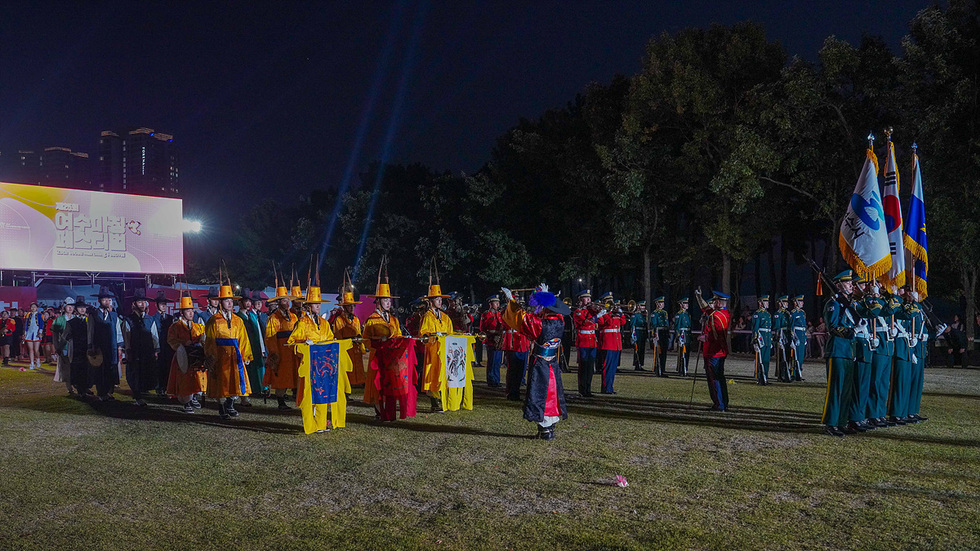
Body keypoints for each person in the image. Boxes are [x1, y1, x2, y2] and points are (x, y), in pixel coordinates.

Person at [501, 284, 570, 440]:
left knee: (540, 395)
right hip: (552, 362)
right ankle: (549, 428)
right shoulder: (560, 322)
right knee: (552, 395)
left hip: (540, 363)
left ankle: (545, 431)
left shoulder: (540, 324)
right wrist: (545, 297)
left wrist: (510, 300)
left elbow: (521, 318)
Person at [289, 282, 351, 433]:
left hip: (325, 363)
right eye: (315, 304)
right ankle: (312, 424)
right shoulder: (302, 323)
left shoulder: (324, 323)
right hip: (311, 364)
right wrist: (304, 343)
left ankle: (322, 424)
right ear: (308, 306)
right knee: (311, 394)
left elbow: (329, 338)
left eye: (319, 304)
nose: (318, 307)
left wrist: (334, 343)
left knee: (323, 392)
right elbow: (291, 342)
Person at [364, 279, 416, 421]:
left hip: (391, 358)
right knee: (378, 384)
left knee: (391, 383)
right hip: (378, 357)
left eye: (389, 300)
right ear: (378, 301)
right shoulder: (372, 320)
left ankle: (390, 410)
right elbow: (366, 340)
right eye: (385, 300)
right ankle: (379, 411)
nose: (388, 303)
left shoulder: (393, 319)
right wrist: (378, 344)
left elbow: (398, 336)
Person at [204, 283, 253, 420]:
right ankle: (221, 407)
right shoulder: (214, 320)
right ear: (220, 303)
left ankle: (230, 404)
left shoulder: (238, 320)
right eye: (227, 300)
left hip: (235, 355)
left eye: (231, 301)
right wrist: (211, 357)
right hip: (220, 355)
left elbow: (243, 339)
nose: (230, 303)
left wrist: (246, 355)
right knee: (221, 382)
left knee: (236, 381)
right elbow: (210, 340)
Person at [821, 271, 857, 437]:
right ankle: (831, 422)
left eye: (851, 282)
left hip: (848, 351)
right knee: (836, 389)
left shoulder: (848, 304)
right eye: (847, 282)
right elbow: (833, 327)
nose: (851, 285)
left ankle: (841, 422)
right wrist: (852, 331)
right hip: (837, 350)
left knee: (846, 390)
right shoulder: (833, 304)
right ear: (838, 284)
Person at [167, 294, 207, 413]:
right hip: (182, 356)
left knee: (196, 376)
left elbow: (204, 338)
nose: (191, 313)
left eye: (192, 311)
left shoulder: (198, 327)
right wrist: (184, 343)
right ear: (182, 312)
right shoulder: (175, 327)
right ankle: (186, 401)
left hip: (196, 356)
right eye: (188, 311)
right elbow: (171, 340)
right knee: (183, 378)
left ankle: (194, 396)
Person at [263, 284, 301, 410]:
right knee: (281, 376)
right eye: (284, 300)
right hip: (281, 351)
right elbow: (270, 337)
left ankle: (295, 395)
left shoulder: (294, 316)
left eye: (288, 300)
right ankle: (280, 400)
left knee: (293, 373)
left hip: (292, 351)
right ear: (279, 302)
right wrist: (275, 353)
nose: (287, 302)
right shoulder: (273, 318)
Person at [121, 289, 161, 407]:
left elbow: (154, 336)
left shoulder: (150, 319)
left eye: (144, 302)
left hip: (148, 351)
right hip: (135, 350)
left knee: (146, 373)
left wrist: (156, 350)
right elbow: (126, 336)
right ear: (134, 304)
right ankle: (137, 395)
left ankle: (143, 393)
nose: (142, 304)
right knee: (135, 373)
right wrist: (127, 351)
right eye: (140, 302)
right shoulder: (128, 319)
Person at [420, 283, 455, 412]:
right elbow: (423, 333)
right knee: (433, 375)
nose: (440, 301)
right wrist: (432, 335)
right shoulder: (427, 317)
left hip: (445, 351)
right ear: (430, 301)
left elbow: (451, 333)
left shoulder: (445, 317)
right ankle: (434, 402)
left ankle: (444, 398)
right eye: (437, 299)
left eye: (441, 299)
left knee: (445, 374)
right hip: (433, 351)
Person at [695, 289, 731, 411]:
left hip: (714, 352)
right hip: (719, 352)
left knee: (714, 379)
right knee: (719, 378)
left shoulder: (716, 315)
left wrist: (703, 337)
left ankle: (719, 404)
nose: (713, 303)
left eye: (715, 301)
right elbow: (706, 309)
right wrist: (699, 297)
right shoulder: (722, 314)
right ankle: (723, 403)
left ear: (719, 303)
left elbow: (715, 336)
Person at [88, 287, 123, 401]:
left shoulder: (113, 315)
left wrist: (119, 346)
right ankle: (101, 392)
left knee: (111, 369)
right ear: (99, 301)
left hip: (112, 346)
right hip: (99, 347)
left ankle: (109, 392)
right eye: (104, 300)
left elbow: (118, 331)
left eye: (108, 300)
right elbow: (91, 330)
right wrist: (91, 345)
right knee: (100, 370)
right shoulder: (94, 314)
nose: (107, 301)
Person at [329, 287, 366, 388]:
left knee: (357, 367)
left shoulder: (356, 319)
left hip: (355, 347)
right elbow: (338, 335)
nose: (352, 308)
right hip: (346, 347)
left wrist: (360, 342)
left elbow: (358, 332)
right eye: (349, 306)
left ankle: (357, 383)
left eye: (353, 305)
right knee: (347, 368)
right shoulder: (339, 320)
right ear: (344, 306)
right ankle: (346, 388)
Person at [235, 293, 267, 406]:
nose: (248, 303)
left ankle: (255, 390)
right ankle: (244, 396)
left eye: (249, 301)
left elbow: (258, 333)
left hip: (255, 347)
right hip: (243, 348)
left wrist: (262, 348)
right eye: (245, 301)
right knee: (244, 372)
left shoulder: (253, 316)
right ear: (240, 303)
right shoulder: (237, 317)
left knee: (255, 370)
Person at [596, 294, 625, 394]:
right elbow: (602, 323)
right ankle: (605, 388)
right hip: (608, 343)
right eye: (609, 302)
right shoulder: (602, 313)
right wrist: (609, 314)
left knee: (613, 368)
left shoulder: (615, 313)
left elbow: (623, 321)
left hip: (616, 343)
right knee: (607, 367)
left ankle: (610, 387)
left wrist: (620, 312)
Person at [572, 290, 599, 397]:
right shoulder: (578, 312)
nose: (589, 300)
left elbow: (597, 322)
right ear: (581, 300)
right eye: (586, 298)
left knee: (590, 367)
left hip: (592, 341)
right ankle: (582, 389)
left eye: (589, 298)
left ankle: (588, 388)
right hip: (583, 341)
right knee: (583, 367)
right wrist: (596, 315)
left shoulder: (591, 311)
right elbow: (587, 321)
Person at [52, 298, 77, 394]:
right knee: (67, 368)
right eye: (68, 305)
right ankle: (69, 387)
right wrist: (57, 347)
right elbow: (55, 335)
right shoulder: (59, 319)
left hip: (75, 347)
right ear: (64, 307)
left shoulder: (76, 318)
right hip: (64, 347)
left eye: (72, 306)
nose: (70, 308)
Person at [153, 292, 176, 397]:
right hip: (159, 347)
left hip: (168, 347)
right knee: (158, 368)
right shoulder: (152, 318)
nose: (164, 306)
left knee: (168, 367)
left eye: (165, 304)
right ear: (156, 305)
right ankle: (159, 387)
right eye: (161, 304)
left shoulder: (170, 318)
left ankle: (167, 387)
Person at [479, 294, 505, 388]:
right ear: (490, 304)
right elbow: (482, 328)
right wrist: (493, 333)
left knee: (498, 362)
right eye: (495, 302)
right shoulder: (486, 314)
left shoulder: (500, 314)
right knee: (492, 361)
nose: (498, 304)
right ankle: (491, 381)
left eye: (498, 302)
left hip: (499, 340)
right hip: (491, 340)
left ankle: (496, 380)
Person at [751, 295, 772, 385]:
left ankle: (765, 377)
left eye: (767, 302)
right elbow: (755, 328)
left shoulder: (768, 314)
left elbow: (769, 328)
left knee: (766, 359)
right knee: (760, 359)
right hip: (761, 339)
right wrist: (755, 339)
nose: (767, 303)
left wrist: (770, 340)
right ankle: (760, 378)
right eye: (765, 302)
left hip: (767, 339)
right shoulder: (757, 314)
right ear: (760, 303)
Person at [649, 297, 670, 376]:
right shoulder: (655, 313)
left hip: (664, 333)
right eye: (660, 302)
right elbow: (654, 325)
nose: (662, 304)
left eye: (663, 302)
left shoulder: (664, 313)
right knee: (659, 352)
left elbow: (666, 324)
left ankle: (663, 369)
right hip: (659, 333)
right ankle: (658, 369)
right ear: (657, 304)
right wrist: (655, 334)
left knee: (664, 352)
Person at [772, 296, 791, 382]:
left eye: (787, 302)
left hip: (787, 336)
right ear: (780, 304)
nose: (786, 304)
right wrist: (778, 337)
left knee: (787, 356)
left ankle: (787, 373)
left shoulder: (787, 314)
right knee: (781, 357)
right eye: (785, 302)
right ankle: (781, 374)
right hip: (781, 336)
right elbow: (777, 327)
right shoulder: (778, 314)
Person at [789, 295, 807, 381]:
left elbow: (804, 325)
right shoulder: (793, 313)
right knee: (795, 356)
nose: (802, 303)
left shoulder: (802, 312)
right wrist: (792, 338)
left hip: (802, 335)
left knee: (800, 356)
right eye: (800, 301)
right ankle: (794, 374)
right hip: (797, 335)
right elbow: (791, 326)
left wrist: (805, 337)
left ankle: (799, 373)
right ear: (796, 303)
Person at [672, 298, 692, 375]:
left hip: (687, 335)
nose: (687, 305)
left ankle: (685, 369)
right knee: (681, 354)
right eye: (685, 303)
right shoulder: (679, 314)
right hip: (682, 335)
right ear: (681, 305)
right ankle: (681, 369)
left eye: (687, 303)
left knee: (687, 353)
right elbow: (677, 326)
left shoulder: (687, 314)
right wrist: (678, 335)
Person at [23, 303, 43, 369]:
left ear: (37, 308)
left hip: (36, 333)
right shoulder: (28, 315)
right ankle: (32, 363)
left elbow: (41, 324)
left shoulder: (40, 315)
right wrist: (25, 333)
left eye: (34, 307)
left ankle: (37, 359)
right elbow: (26, 324)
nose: (33, 308)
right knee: (30, 350)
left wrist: (40, 332)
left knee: (36, 349)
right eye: (32, 307)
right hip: (29, 333)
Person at [629, 300, 648, 371]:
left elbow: (645, 326)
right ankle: (637, 364)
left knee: (642, 350)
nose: (643, 307)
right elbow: (632, 325)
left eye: (644, 306)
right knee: (637, 349)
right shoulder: (635, 315)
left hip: (642, 334)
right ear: (638, 306)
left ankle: (641, 364)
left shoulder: (643, 315)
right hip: (638, 333)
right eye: (642, 306)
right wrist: (633, 335)